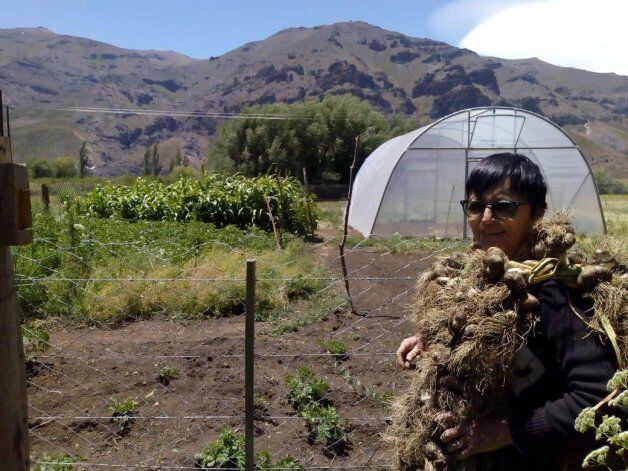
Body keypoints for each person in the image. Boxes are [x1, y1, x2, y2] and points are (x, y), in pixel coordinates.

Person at [396, 153, 617, 469]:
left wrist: (503, 431)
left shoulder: (559, 295)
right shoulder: (482, 275)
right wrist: (429, 340)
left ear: (537, 214)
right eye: (475, 206)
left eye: (504, 207)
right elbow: (480, 333)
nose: (485, 219)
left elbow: (598, 396)